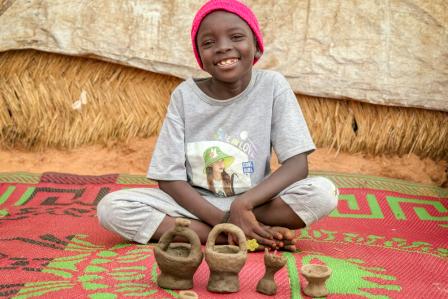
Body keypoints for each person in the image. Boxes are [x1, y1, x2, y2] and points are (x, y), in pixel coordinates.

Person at [97, 0, 338, 250]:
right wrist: (224, 220)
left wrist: (241, 206)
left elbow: (298, 165)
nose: (223, 47)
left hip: (256, 202)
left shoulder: (272, 86)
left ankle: (238, 226)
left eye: (236, 37)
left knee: (323, 192)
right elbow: (169, 179)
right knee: (111, 208)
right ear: (200, 57)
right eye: (209, 43)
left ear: (256, 47)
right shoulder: (185, 96)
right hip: (195, 205)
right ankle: (233, 235)